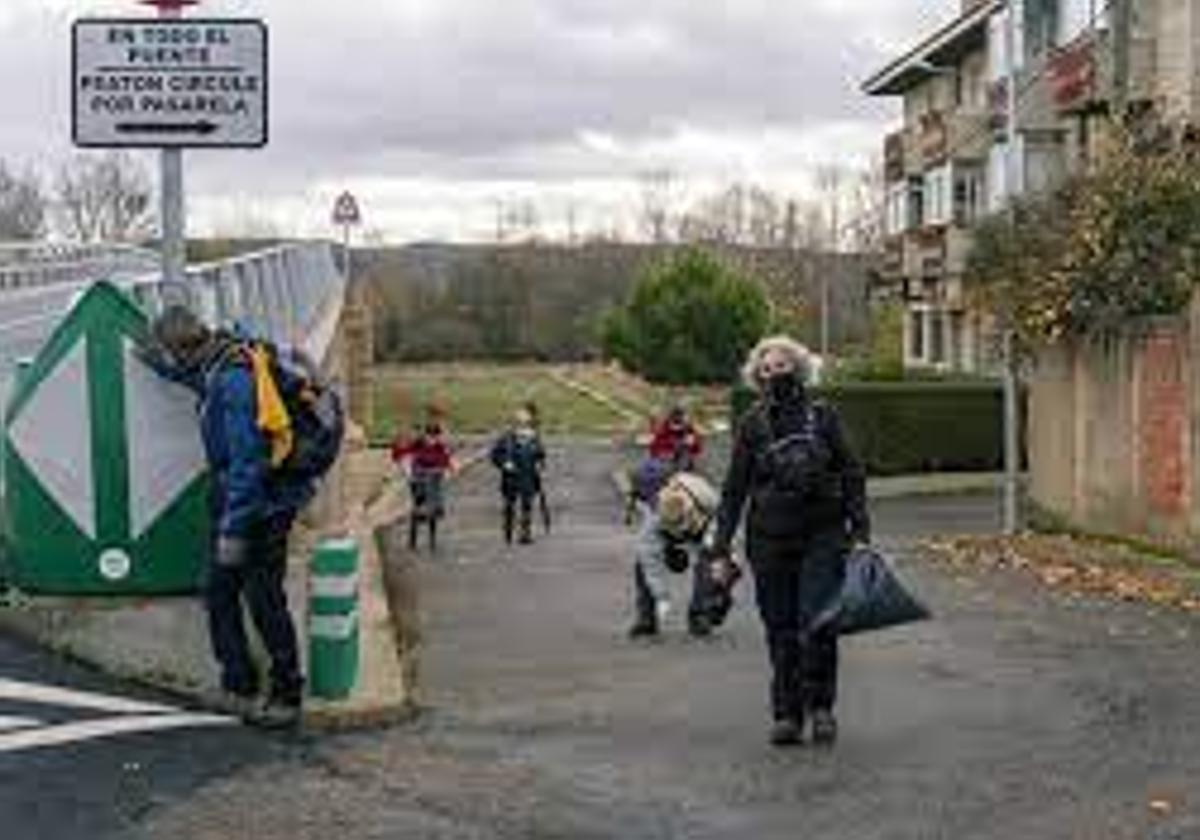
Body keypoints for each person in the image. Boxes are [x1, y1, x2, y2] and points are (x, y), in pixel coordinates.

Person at [147, 306, 312, 729]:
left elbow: (248, 464)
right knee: (218, 591)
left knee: (263, 598)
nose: (173, 361)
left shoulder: (234, 380)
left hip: (262, 505)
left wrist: (234, 529)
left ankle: (286, 693)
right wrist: (155, 364)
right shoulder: (216, 362)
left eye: (168, 353)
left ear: (182, 347)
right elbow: (193, 380)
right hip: (241, 498)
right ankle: (237, 685)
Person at [708, 336, 870, 748]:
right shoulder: (753, 423)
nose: (774, 374)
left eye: (781, 366)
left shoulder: (824, 416)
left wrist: (861, 532)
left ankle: (821, 708)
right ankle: (787, 714)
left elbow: (852, 472)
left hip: (823, 534)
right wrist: (720, 548)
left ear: (798, 369)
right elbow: (734, 489)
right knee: (779, 628)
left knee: (817, 621)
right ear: (756, 376)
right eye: (766, 369)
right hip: (768, 539)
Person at [627, 470, 732, 639]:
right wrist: (661, 596)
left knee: (712, 563)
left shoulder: (705, 496)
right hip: (668, 534)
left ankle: (700, 616)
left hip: (705, 527)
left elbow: (727, 522)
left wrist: (723, 567)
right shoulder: (654, 517)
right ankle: (646, 619)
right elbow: (650, 562)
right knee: (642, 564)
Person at [391, 419, 455, 552]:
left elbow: (447, 461)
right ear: (425, 435)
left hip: (434, 481)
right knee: (418, 507)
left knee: (432, 510)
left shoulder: (440, 447)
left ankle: (432, 540)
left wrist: (448, 468)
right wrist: (398, 443)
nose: (432, 439)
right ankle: (413, 540)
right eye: (430, 436)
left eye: (435, 436)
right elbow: (400, 453)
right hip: (418, 481)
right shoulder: (418, 445)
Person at [490, 409, 546, 545]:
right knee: (510, 504)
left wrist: (540, 464)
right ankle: (508, 530)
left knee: (527, 505)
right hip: (511, 477)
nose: (523, 426)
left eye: (526, 423)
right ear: (515, 423)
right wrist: (504, 464)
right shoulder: (506, 438)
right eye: (520, 423)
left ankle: (525, 533)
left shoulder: (534, 438)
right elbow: (495, 455)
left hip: (528, 476)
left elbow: (541, 455)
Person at [648, 404, 703, 471]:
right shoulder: (662, 430)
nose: (677, 426)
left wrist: (692, 443)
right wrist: (666, 454)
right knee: (656, 465)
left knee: (684, 454)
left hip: (682, 462)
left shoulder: (688, 431)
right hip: (663, 461)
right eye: (675, 421)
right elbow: (654, 449)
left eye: (680, 422)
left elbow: (697, 451)